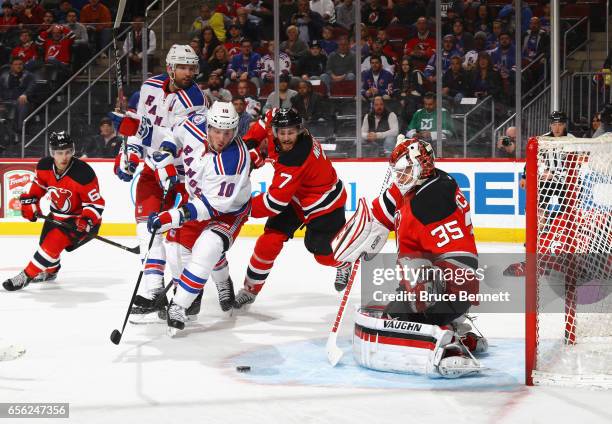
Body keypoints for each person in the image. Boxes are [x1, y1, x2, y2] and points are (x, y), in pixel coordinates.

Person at [332, 136, 486, 378]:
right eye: (397, 172)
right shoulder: (428, 179)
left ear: (420, 166)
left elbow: (416, 258)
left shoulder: (429, 201)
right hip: (450, 280)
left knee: (400, 312)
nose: (398, 178)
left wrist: (369, 239)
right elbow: (383, 207)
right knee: (400, 304)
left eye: (403, 171)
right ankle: (461, 331)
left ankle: (450, 346)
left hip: (453, 283)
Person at [112, 45, 207, 321]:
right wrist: (128, 152)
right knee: (146, 229)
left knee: (180, 239)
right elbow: (139, 125)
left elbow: (174, 139)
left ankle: (187, 295)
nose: (189, 73)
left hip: (182, 175)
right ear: (170, 68)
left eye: (192, 68)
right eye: (183, 67)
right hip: (152, 170)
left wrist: (140, 130)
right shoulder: (150, 87)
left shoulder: (196, 101)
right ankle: (155, 291)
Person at [147, 102, 252, 334]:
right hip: (198, 200)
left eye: (228, 132)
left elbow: (211, 208)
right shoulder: (195, 124)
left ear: (235, 131)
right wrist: (166, 151)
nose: (221, 138)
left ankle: (179, 305)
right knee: (178, 248)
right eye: (216, 130)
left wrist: (170, 217)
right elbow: (173, 133)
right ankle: (221, 279)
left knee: (207, 247)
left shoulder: (233, 160)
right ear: (208, 126)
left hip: (227, 211)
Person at [234, 108, 350, 310]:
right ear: (275, 130)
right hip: (296, 198)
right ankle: (250, 290)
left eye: (291, 133)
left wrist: (241, 207)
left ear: (300, 131)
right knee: (268, 242)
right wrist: (250, 146)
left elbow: (274, 203)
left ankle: (344, 263)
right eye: (283, 132)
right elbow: (263, 122)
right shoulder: (274, 122)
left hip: (325, 204)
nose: (287, 138)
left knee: (320, 254)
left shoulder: (296, 157)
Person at [3, 132, 105, 290]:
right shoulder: (44, 166)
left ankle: (25, 276)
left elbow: (96, 203)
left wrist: (87, 220)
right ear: (52, 153)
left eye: (68, 152)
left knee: (51, 244)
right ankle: (51, 271)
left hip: (79, 220)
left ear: (73, 150)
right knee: (45, 245)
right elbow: (39, 187)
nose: (64, 157)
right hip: (56, 215)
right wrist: (31, 201)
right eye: (59, 153)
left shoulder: (83, 173)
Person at [0, 57, 35, 140]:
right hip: (6, 99)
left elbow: (32, 86)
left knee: (22, 102)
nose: (18, 66)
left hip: (20, 100)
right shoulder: (4, 76)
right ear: (11, 66)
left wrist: (25, 94)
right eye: (16, 64)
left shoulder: (28, 76)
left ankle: (19, 131)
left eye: (20, 64)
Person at [393, 56, 425, 123]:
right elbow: (395, 90)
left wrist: (406, 96)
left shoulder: (416, 73)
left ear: (410, 65)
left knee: (409, 105)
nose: (405, 67)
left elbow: (421, 90)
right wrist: (402, 98)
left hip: (415, 99)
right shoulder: (398, 76)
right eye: (403, 65)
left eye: (407, 65)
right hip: (402, 99)